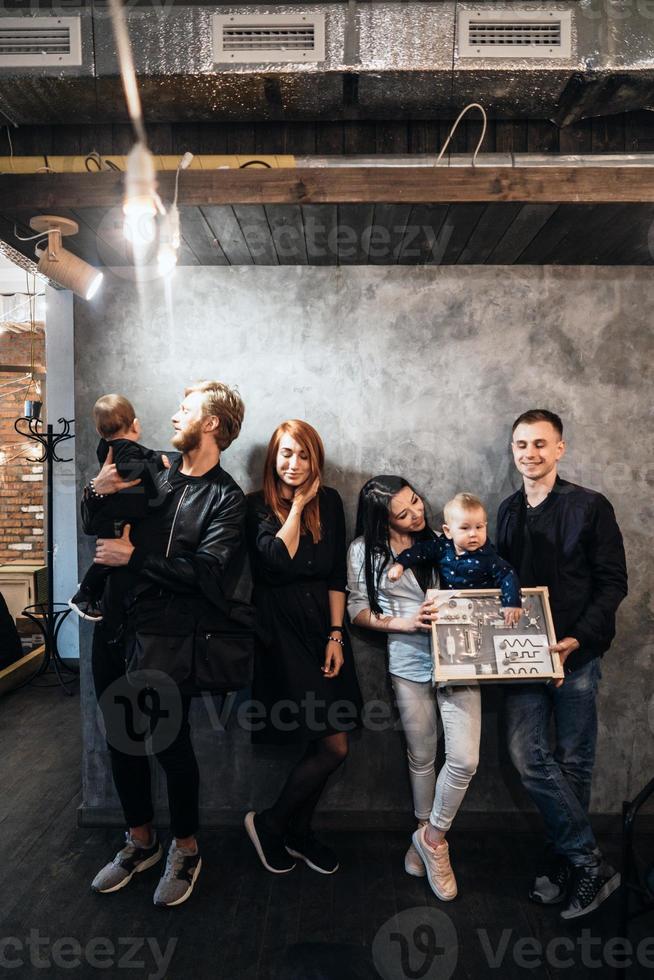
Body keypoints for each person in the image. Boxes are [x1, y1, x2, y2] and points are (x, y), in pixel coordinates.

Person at [82, 380, 251, 908]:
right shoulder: (151, 469)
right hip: (114, 628)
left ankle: (186, 848)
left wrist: (133, 560)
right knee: (119, 739)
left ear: (213, 425)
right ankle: (140, 841)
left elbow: (208, 576)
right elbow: (97, 518)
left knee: (168, 745)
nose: (174, 416)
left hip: (169, 641)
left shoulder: (226, 498)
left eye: (186, 410)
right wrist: (96, 488)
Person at [497, 408, 628, 920]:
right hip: (522, 662)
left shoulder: (591, 507)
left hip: (577, 656)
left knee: (574, 763)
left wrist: (577, 639)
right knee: (527, 756)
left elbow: (613, 583)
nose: (529, 453)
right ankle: (590, 861)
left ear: (560, 449)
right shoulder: (506, 512)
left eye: (539, 444)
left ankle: (565, 864)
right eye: (521, 445)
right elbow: (496, 587)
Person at [347, 476, 481, 902]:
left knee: (463, 759)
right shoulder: (362, 551)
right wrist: (401, 623)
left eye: (416, 501)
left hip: (460, 657)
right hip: (406, 660)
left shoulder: (445, 534)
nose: (416, 513)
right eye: (403, 513)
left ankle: (432, 840)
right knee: (422, 756)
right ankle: (425, 834)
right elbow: (357, 609)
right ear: (381, 519)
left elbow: (482, 582)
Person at [244, 420, 362, 876]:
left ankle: (296, 831)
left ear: (317, 460)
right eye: (286, 454)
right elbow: (275, 561)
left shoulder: (331, 502)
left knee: (330, 740)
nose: (294, 464)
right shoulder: (255, 506)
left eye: (304, 456)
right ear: (274, 457)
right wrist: (295, 508)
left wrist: (336, 635)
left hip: (321, 629)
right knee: (332, 745)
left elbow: (335, 575)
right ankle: (270, 824)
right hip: (280, 631)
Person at [69, 393, 167, 623]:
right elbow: (127, 466)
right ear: (135, 424)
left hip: (112, 514)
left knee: (109, 560)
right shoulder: (125, 448)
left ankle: (92, 592)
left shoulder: (108, 446)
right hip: (116, 517)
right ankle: (84, 594)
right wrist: (155, 463)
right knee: (106, 560)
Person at [388, 491, 522, 626]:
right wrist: (400, 564)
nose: (473, 534)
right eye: (465, 528)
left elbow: (507, 575)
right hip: (449, 606)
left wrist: (512, 603)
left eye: (479, 527)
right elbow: (420, 551)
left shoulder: (488, 557)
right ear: (448, 531)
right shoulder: (442, 547)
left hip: (479, 607)